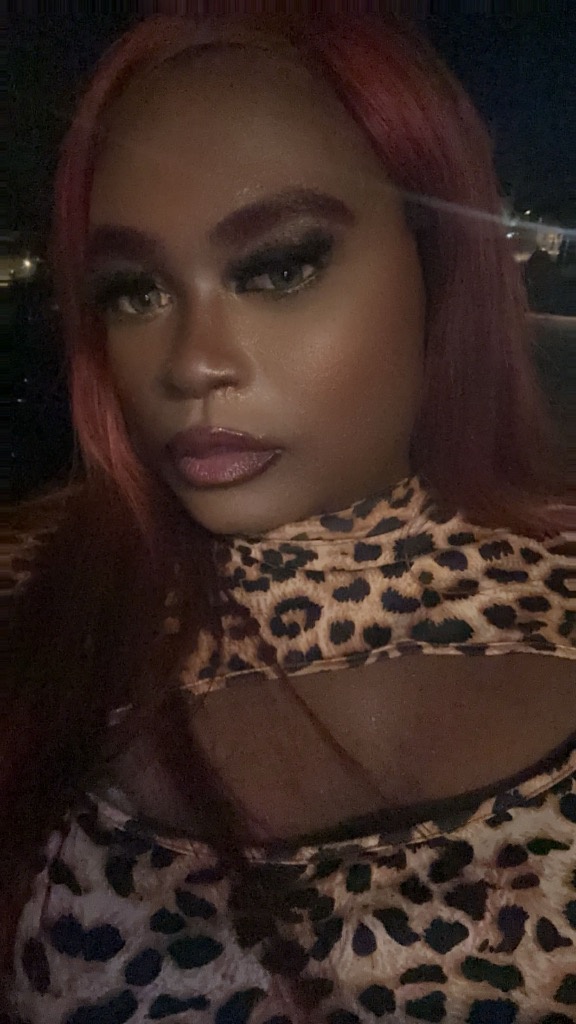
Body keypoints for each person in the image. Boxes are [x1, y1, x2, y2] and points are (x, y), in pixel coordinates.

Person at [3, 14, 575, 1024]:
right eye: (134, 290)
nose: (193, 362)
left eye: (277, 268)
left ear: (439, 264)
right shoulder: (33, 602)